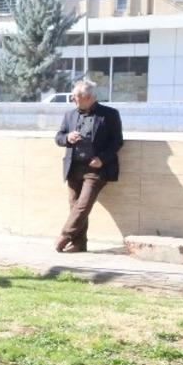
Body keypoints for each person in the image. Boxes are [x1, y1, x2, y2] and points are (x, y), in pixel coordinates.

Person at [54, 79, 123, 253]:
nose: (72, 100)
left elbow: (117, 141)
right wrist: (67, 137)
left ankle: (64, 235)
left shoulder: (110, 114)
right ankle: (79, 243)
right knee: (74, 205)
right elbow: (58, 137)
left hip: (96, 169)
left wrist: (102, 159)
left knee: (83, 205)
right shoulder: (69, 115)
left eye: (75, 97)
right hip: (73, 167)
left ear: (88, 97)